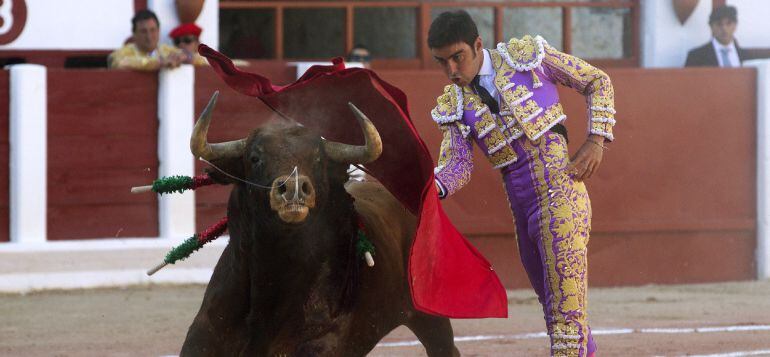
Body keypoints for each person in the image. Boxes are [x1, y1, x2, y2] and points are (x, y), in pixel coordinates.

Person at [428, 10, 614, 357]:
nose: (452, 70)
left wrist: (596, 140)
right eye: (442, 62)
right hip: (522, 212)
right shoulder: (455, 106)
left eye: (458, 57)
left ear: (477, 45)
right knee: (555, 309)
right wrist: (427, 188)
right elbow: (456, 166)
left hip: (561, 195)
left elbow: (596, 81)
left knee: (565, 319)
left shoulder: (527, 58)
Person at [108, 9, 187, 71]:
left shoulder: (165, 50)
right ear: (134, 34)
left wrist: (186, 57)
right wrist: (158, 63)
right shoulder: (123, 53)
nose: (149, 36)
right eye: (143, 31)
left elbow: (197, 58)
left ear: (158, 31)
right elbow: (118, 63)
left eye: (152, 30)